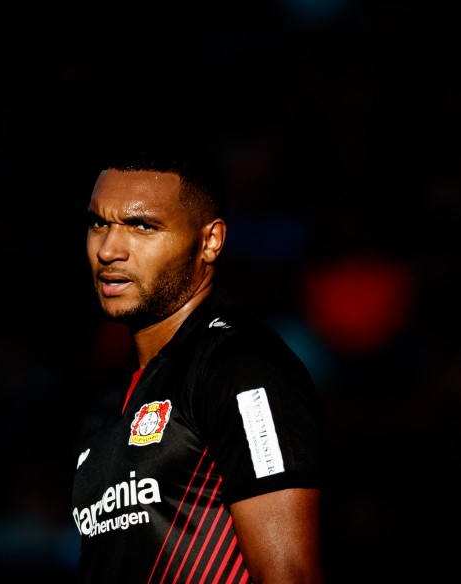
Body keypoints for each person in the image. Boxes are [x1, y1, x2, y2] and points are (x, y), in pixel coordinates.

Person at [70, 135, 326, 583]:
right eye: (98, 224)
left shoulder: (240, 368)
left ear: (210, 241)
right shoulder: (107, 402)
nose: (108, 250)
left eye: (142, 227)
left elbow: (289, 575)